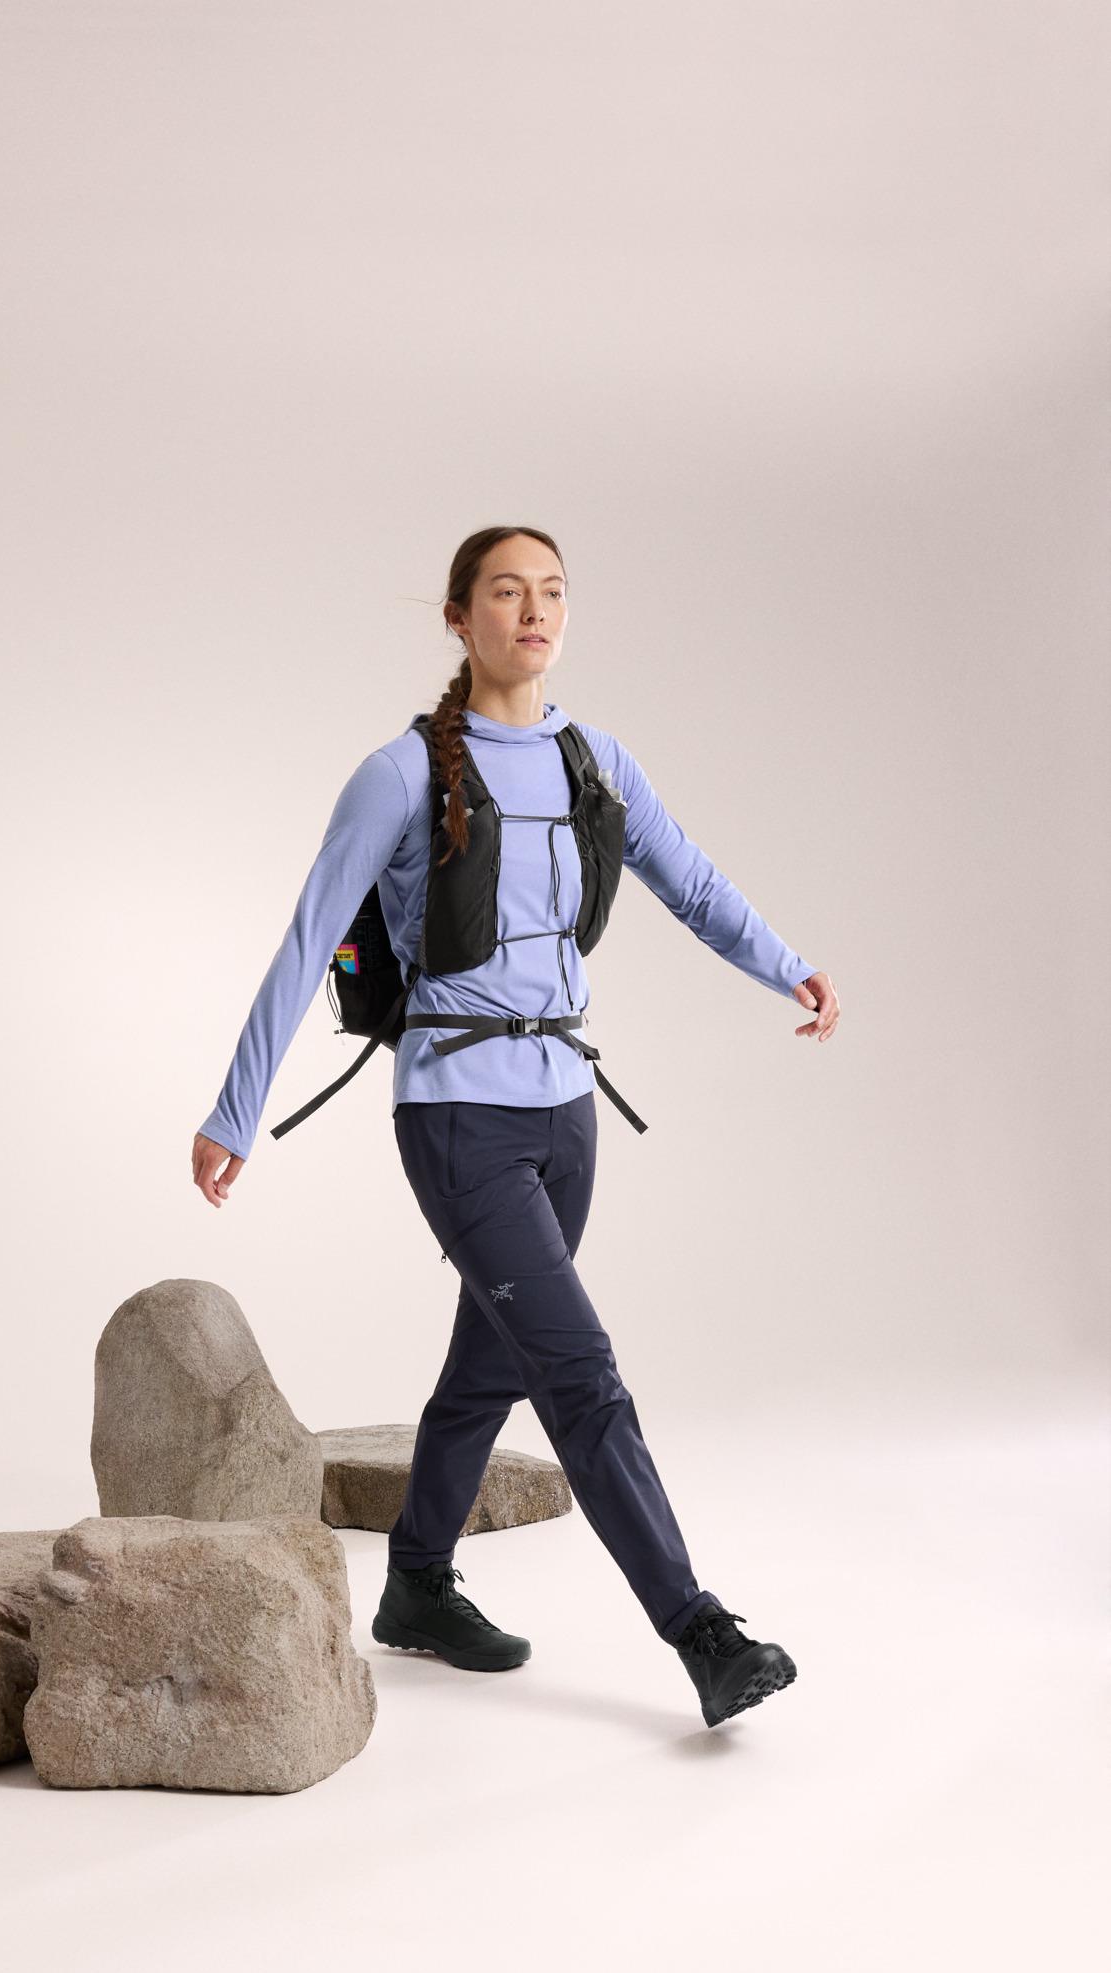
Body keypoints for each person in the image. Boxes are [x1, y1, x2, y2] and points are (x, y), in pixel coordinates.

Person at [191, 525, 840, 1728]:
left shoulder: (597, 761)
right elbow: (308, 935)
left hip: (567, 1108)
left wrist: (784, 964)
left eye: (551, 592)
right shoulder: (398, 775)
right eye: (505, 591)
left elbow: (691, 882)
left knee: (494, 1359)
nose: (533, 611)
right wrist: (237, 1107)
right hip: (457, 1112)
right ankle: (702, 1632)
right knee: (579, 1372)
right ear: (459, 616)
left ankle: (417, 1584)